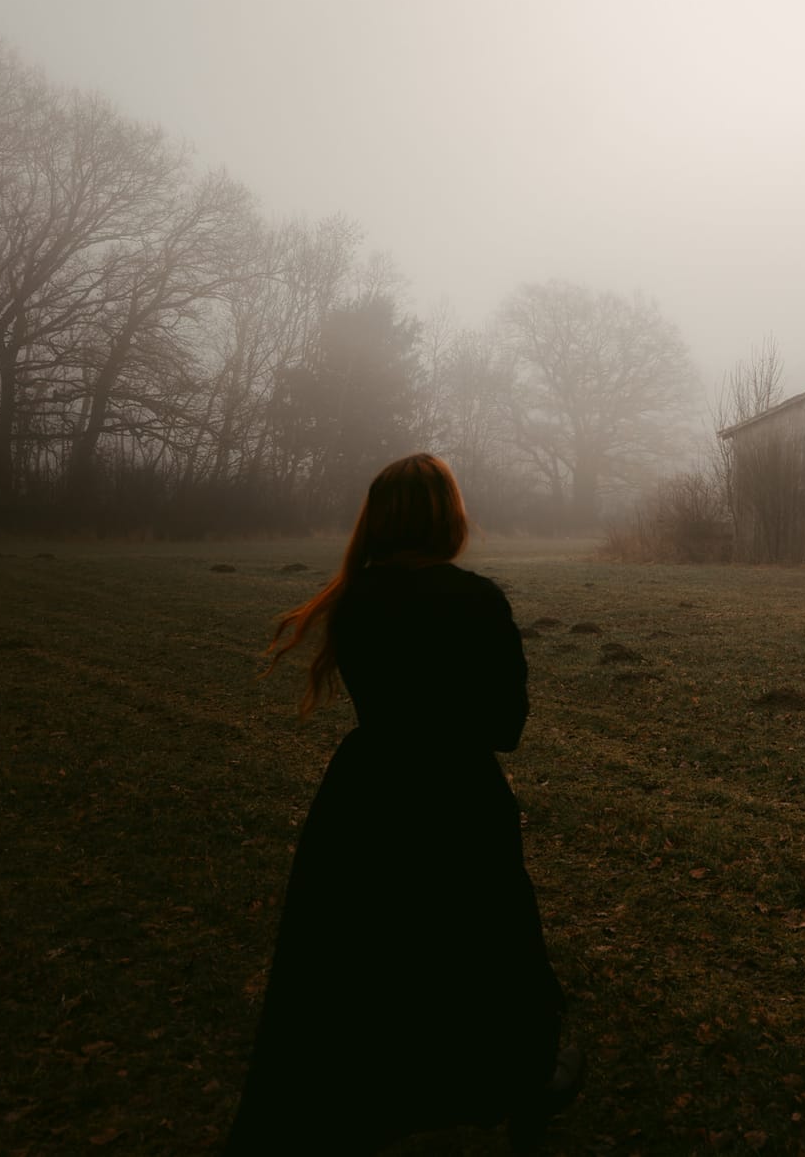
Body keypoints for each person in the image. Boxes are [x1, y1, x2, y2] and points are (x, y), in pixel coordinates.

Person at [226, 454, 583, 1153]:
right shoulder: (477, 600)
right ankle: (500, 1084)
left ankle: (371, 1099)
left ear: (381, 519)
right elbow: (505, 728)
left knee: (364, 952)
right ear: (447, 517)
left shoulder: (356, 600)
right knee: (479, 943)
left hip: (367, 794)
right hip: (456, 797)